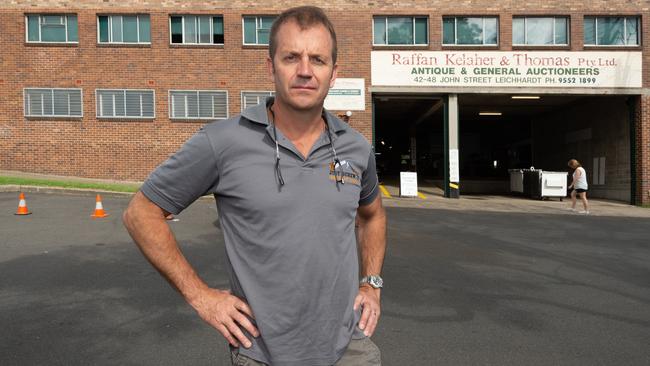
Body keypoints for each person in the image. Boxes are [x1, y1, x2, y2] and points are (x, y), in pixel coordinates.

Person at [122, 6, 386, 366]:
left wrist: (371, 284)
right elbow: (141, 213)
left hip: (348, 349)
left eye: (318, 60)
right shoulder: (222, 142)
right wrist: (202, 297)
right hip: (263, 353)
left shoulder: (355, 147)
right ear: (270, 66)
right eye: (291, 57)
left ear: (334, 73)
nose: (305, 71)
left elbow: (372, 216)